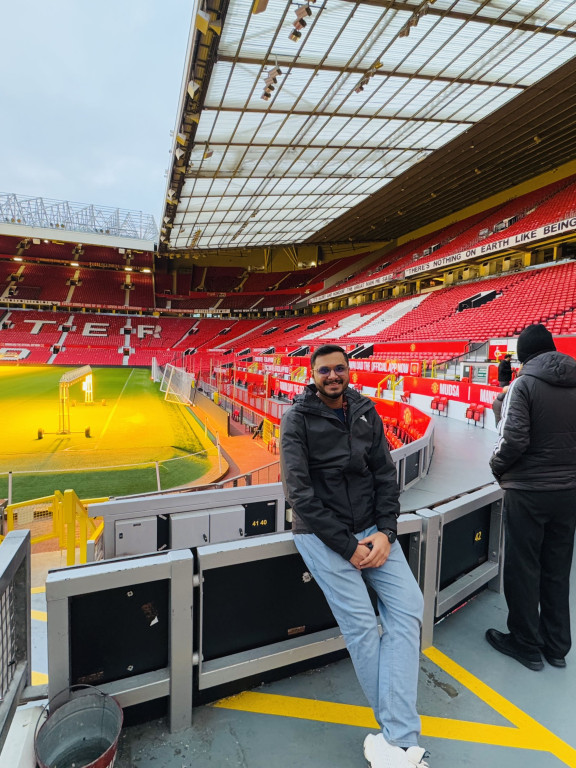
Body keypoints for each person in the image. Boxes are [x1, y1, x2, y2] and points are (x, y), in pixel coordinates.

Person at [280, 344, 428, 768]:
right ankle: (401, 739)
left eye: (339, 368)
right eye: (324, 370)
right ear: (312, 375)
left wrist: (386, 532)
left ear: (349, 371)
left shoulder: (365, 410)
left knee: (409, 607)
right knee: (362, 627)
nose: (333, 376)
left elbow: (384, 475)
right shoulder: (296, 420)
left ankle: (396, 740)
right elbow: (300, 496)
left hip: (372, 530)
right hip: (321, 536)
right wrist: (348, 547)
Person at [487, 324, 576, 670]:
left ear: (523, 357)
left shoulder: (522, 385)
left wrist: (497, 468)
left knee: (523, 568)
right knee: (558, 568)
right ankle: (556, 647)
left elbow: (512, 439)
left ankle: (525, 643)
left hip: (528, 491)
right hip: (568, 493)